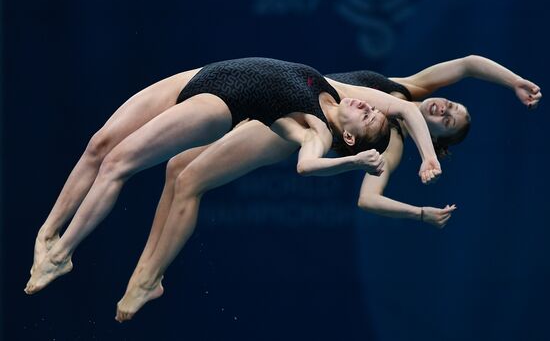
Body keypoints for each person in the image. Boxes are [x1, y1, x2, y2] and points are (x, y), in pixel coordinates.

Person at [111, 55, 541, 322]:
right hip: (282, 99)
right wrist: (514, 81)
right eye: (453, 105)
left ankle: (147, 279)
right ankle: (148, 273)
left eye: (448, 119)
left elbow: (368, 199)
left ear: (439, 138)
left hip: (283, 131)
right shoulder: (407, 90)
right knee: (177, 166)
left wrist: (422, 213)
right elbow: (467, 63)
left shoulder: (389, 142)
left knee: (190, 181)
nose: (445, 107)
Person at [25, 57, 441, 296]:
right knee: (100, 145)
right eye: (372, 108)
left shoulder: (313, 128)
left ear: (348, 135)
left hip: (218, 104)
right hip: (201, 74)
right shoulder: (333, 87)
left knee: (119, 162)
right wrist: (427, 157)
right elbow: (405, 108)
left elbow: (306, 165)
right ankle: (47, 234)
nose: (370, 106)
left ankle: (63, 255)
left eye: (368, 116)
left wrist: (351, 162)